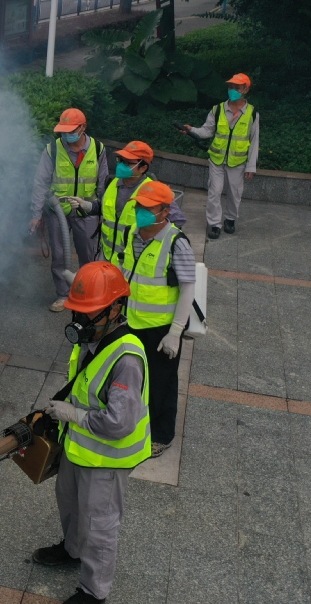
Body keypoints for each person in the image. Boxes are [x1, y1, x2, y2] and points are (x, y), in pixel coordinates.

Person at [32, 261, 150, 604]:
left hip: (108, 457)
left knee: (99, 524)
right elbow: (84, 383)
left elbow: (119, 423)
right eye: (77, 312)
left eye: (88, 313)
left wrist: (73, 414)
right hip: (79, 446)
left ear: (115, 310)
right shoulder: (94, 339)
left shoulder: (127, 359)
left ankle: (94, 591)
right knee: (68, 501)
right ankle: (72, 551)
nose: (80, 322)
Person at [119, 181, 195, 458]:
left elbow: (188, 287)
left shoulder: (177, 243)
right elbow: (125, 271)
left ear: (165, 211)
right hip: (132, 322)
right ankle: (134, 423)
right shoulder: (132, 234)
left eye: (148, 208)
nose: (141, 211)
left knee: (162, 383)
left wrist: (175, 331)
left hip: (161, 329)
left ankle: (162, 436)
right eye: (139, 205)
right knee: (133, 378)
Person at [28, 109, 110, 312]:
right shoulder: (53, 150)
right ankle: (62, 295)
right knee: (59, 255)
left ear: (83, 127)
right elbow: (40, 183)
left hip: (87, 212)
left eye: (70, 130)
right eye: (63, 131)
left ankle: (85, 294)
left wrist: (101, 213)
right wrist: (36, 214)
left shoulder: (98, 149)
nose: (66, 135)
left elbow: (103, 184)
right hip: (58, 212)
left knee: (88, 256)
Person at [60, 140, 185, 268]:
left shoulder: (153, 190)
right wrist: (87, 205)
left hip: (132, 261)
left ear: (143, 167)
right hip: (107, 256)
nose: (121, 165)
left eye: (128, 162)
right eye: (121, 160)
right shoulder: (112, 183)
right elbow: (104, 207)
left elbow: (177, 222)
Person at [180, 73, 259, 239]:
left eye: (237, 87)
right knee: (214, 191)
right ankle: (214, 224)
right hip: (217, 159)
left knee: (234, 192)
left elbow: (254, 140)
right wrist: (191, 130)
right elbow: (207, 131)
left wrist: (251, 166)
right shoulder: (217, 110)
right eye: (230, 87)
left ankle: (230, 219)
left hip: (238, 162)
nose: (233, 90)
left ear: (245, 89)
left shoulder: (252, 113)